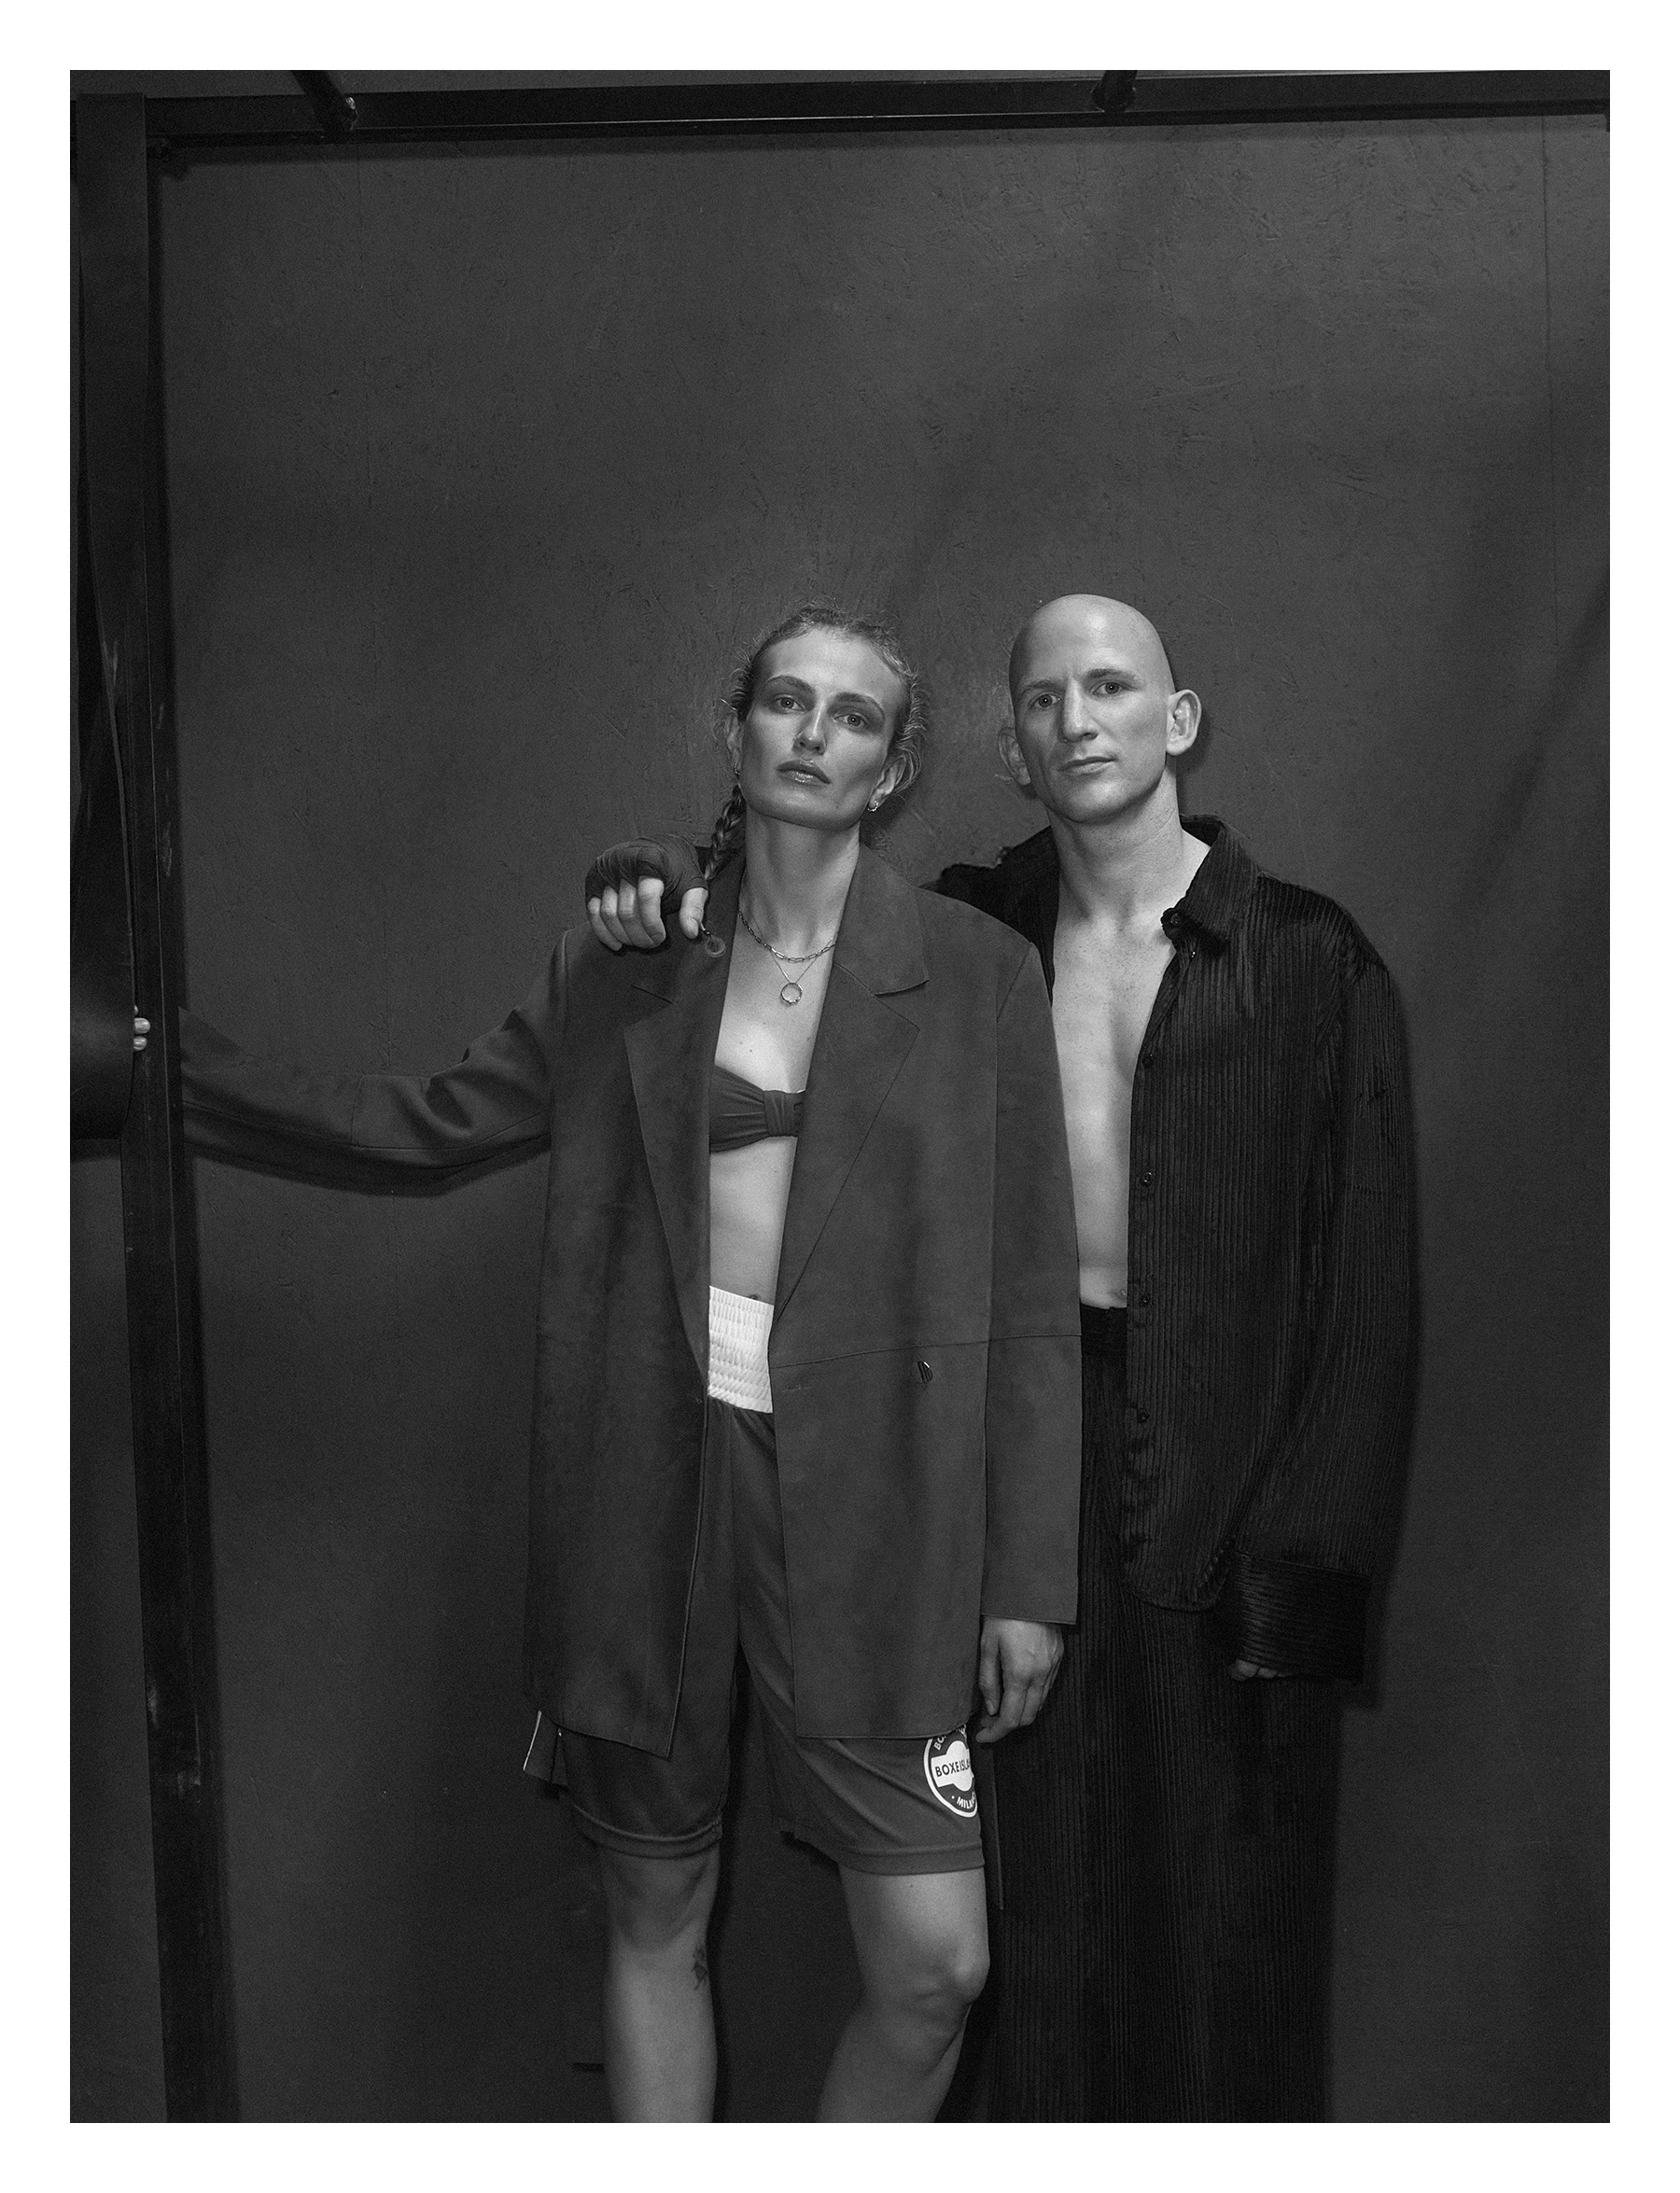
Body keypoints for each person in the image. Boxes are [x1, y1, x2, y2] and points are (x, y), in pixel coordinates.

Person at [175, 603, 1082, 2121]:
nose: (813, 732)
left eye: (853, 715)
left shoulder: (980, 973)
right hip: (646, 1470)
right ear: (735, 728)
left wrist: (1028, 1582)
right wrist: (169, 1063)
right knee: (657, 1907)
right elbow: (427, 1119)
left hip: (878, 1503)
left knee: (937, 1965)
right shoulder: (628, 967)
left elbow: (1034, 1287)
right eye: (785, 700)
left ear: (893, 767)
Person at [582, 592, 1417, 2120]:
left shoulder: (1311, 958)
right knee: (1024, 1908)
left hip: (1233, 1469)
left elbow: (1364, 1292)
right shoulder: (976, 931)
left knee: (1229, 1902)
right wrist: (644, 881)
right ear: (1012, 748)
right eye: (1042, 698)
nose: (1077, 719)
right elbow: (771, 895)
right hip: (995, 1449)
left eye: (1112, 687)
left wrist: (1303, 1581)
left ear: (1180, 720)